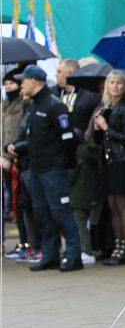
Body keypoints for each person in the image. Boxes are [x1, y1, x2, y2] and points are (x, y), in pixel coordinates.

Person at [6, 65, 82, 272]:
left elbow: (68, 138)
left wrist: (63, 161)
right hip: (36, 170)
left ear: (34, 81)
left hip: (53, 170)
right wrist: (16, 147)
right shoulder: (32, 105)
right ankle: (50, 255)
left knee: (61, 212)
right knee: (42, 214)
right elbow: (32, 138)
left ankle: (74, 255)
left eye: (24, 80)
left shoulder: (54, 105)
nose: (21, 84)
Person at [89, 70, 125, 266]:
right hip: (109, 161)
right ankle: (118, 245)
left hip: (123, 160)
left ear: (124, 86)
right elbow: (97, 140)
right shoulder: (105, 108)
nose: (115, 86)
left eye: (119, 83)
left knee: (121, 204)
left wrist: (106, 127)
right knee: (112, 205)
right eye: (112, 83)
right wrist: (97, 127)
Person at [56, 57, 101, 262]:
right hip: (66, 157)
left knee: (80, 205)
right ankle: (77, 247)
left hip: (85, 156)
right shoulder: (59, 95)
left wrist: (83, 141)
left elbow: (90, 127)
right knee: (70, 205)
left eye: (59, 71)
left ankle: (87, 248)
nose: (56, 75)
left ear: (70, 73)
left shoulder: (89, 96)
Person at [1, 70, 41, 263]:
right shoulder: (6, 104)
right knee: (17, 205)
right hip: (7, 156)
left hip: (20, 158)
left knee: (26, 202)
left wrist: (10, 154)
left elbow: (20, 132)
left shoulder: (24, 104)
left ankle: (32, 243)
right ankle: (25, 242)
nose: (9, 87)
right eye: (6, 84)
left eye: (12, 83)